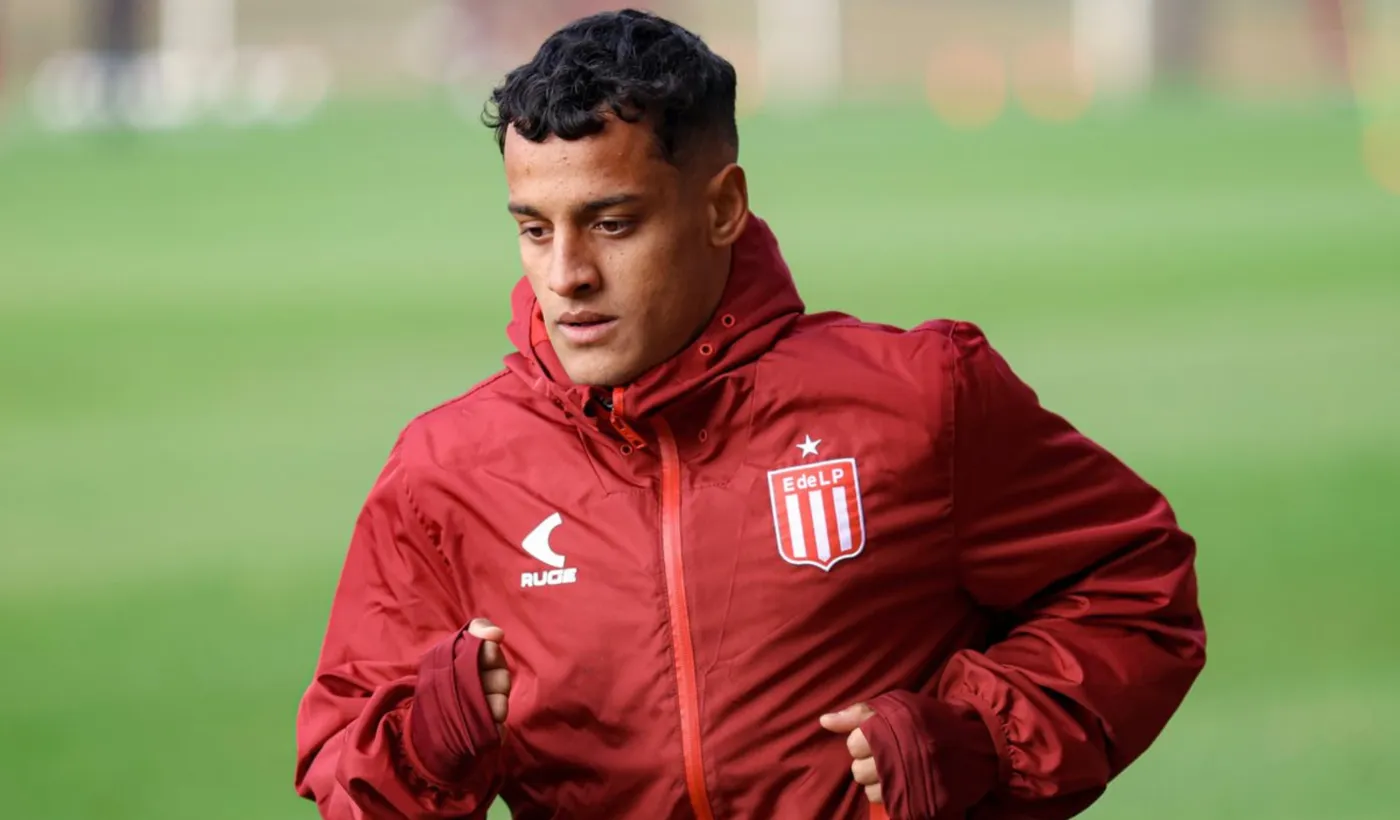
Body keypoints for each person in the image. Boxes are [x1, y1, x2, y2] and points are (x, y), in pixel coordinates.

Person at [294, 9, 1206, 819]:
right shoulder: (447, 470)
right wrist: (425, 744)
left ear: (723, 207)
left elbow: (1135, 591)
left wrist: (979, 741)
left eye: (612, 224)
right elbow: (344, 768)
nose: (565, 275)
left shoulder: (920, 398)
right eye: (535, 229)